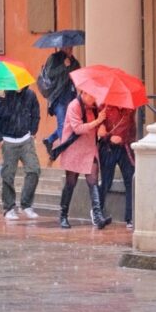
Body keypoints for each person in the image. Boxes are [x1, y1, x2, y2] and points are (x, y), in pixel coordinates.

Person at [57, 91, 107, 229]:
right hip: (74, 150)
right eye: (92, 96)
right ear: (84, 94)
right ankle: (63, 215)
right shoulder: (74, 106)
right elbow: (78, 129)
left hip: (89, 149)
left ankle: (98, 216)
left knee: (93, 181)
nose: (94, 99)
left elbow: (97, 126)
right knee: (70, 183)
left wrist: (101, 127)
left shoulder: (95, 107)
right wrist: (97, 121)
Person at [0, 87, 41, 220]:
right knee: (8, 175)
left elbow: (36, 113)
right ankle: (9, 208)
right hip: (8, 140)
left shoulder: (30, 95)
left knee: (34, 170)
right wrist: (0, 138)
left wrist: (33, 132)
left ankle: (26, 205)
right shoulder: (2, 96)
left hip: (25, 139)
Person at [97, 105, 135, 229]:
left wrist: (126, 139)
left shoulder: (130, 108)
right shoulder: (104, 107)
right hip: (108, 147)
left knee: (130, 181)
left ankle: (130, 217)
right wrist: (109, 137)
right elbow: (99, 131)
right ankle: (98, 212)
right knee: (106, 181)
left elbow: (132, 129)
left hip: (125, 148)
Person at [41, 46, 81, 157]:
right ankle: (65, 153)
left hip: (71, 97)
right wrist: (63, 66)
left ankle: (50, 140)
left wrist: (72, 65)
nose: (70, 49)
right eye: (68, 47)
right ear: (62, 47)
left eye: (71, 47)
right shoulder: (53, 58)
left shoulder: (73, 60)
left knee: (68, 125)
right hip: (57, 97)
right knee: (63, 126)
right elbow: (49, 74)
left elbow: (78, 73)